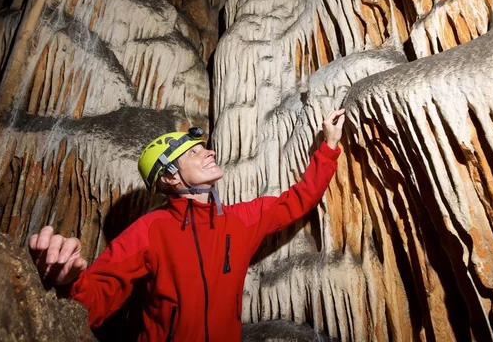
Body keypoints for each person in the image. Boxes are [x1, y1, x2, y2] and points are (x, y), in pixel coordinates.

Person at [29, 109, 346, 342]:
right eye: (194, 152)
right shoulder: (151, 231)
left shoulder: (240, 220)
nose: (209, 152)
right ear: (170, 176)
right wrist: (68, 283)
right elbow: (97, 297)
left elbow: (298, 200)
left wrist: (329, 147)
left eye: (204, 148)